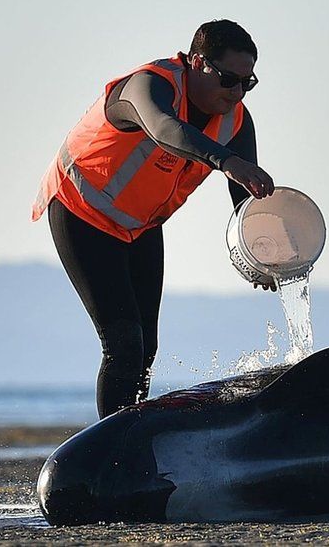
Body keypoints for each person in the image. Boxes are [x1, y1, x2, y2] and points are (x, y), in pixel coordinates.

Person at [31, 20, 276, 419]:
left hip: (140, 227)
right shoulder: (148, 87)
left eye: (247, 84)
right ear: (198, 63)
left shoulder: (235, 122)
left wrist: (265, 256)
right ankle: (111, 456)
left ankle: (132, 437)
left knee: (147, 347)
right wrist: (225, 160)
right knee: (123, 342)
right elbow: (165, 129)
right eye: (229, 80)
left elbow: (244, 200)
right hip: (81, 213)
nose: (236, 93)